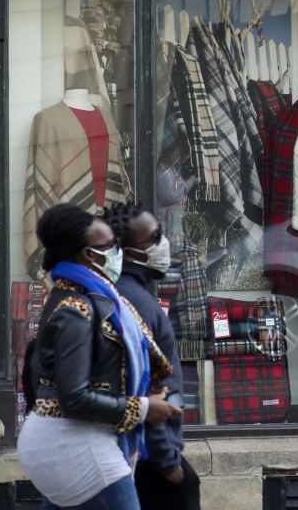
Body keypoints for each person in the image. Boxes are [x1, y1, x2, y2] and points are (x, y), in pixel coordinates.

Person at [18, 203, 180, 510]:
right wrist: (144, 408)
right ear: (89, 255)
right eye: (112, 246)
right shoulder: (76, 310)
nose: (119, 253)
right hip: (74, 445)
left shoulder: (90, 299)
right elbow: (74, 398)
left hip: (74, 442)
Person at [106, 201, 203, 510]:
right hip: (149, 458)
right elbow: (150, 388)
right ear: (132, 252)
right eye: (156, 236)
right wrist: (168, 460)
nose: (165, 244)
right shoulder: (139, 304)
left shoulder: (118, 294)